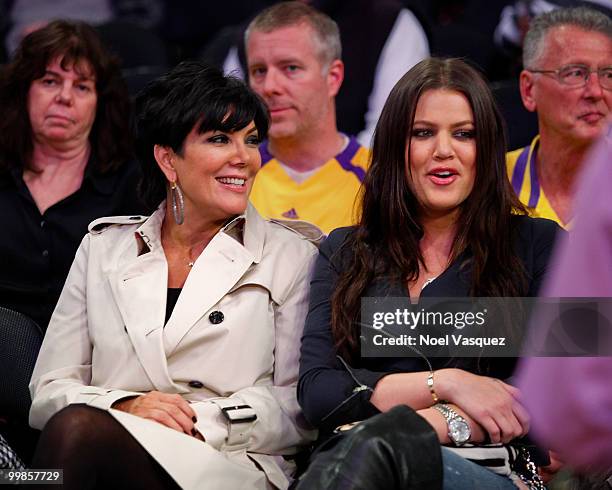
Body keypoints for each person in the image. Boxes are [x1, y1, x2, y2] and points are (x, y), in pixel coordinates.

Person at [28, 61, 319, 490]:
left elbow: (300, 405)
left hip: (224, 459)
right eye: (220, 139)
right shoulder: (104, 248)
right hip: (104, 440)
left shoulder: (293, 256)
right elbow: (50, 389)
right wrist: (125, 405)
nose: (244, 158)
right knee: (69, 441)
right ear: (168, 159)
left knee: (68, 446)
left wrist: (197, 421)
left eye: (251, 140)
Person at [298, 57, 563, 488]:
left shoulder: (539, 243)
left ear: (488, 148)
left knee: (373, 456)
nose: (444, 150)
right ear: (394, 147)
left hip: (487, 472)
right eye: (423, 133)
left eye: (464, 134)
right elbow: (320, 392)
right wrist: (450, 384)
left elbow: (552, 396)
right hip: (349, 467)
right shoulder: (344, 250)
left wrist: (406, 430)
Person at [0, 20, 147, 330]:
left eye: (82, 86)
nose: (64, 97)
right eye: (50, 81)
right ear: (25, 91)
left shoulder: (132, 183)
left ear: (100, 103)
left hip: (94, 354)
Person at [517, 125, 612, 472]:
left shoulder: (538, 238)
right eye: (574, 73)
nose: (595, 91)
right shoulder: (346, 249)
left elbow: (568, 415)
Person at [245, 1, 370, 235]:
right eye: (259, 71)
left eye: (290, 68)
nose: (270, 86)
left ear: (333, 78)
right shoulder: (233, 174)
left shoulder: (380, 179)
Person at [506, 7, 612, 228]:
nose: (595, 91)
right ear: (528, 90)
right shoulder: (491, 182)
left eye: (608, 75)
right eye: (575, 73)